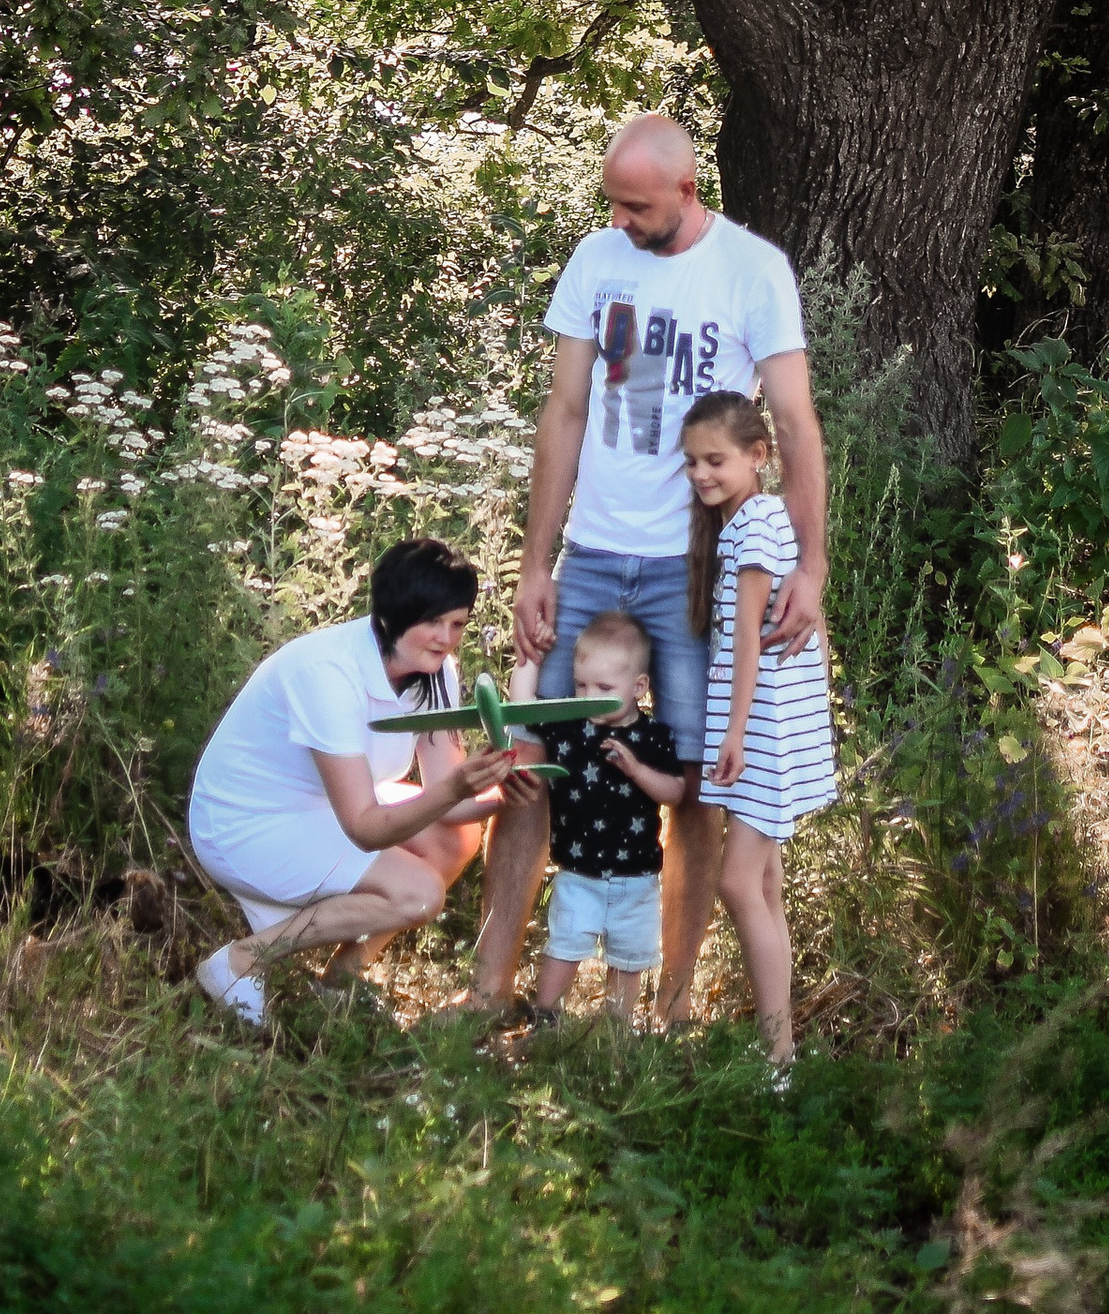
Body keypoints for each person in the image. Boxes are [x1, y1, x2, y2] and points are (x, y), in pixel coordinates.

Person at [473, 112, 827, 1023]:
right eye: (613, 206)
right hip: (591, 553)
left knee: (701, 778)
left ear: (686, 190)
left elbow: (793, 423)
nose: (622, 222)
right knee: (531, 755)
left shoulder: (754, 270)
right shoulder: (596, 261)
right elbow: (563, 411)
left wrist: (810, 565)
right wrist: (535, 564)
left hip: (692, 572)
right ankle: (489, 995)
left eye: (638, 207)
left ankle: (666, 1006)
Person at [186, 536, 535, 1027]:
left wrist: (498, 793)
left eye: (456, 623)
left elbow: (450, 804)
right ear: (393, 615)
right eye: (431, 621)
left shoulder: (435, 672)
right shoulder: (328, 672)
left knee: (457, 838)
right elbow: (366, 827)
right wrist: (459, 787)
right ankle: (242, 960)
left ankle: (339, 984)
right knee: (417, 895)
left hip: (321, 808)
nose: (445, 637)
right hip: (245, 825)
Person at [685, 389, 840, 1073]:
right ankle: (781, 1049)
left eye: (715, 460)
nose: (701, 475)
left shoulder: (752, 528)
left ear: (759, 456)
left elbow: (746, 640)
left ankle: (778, 1054)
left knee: (739, 885)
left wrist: (735, 734)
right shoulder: (773, 523)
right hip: (781, 725)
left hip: (761, 732)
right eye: (691, 464)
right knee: (764, 884)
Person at [524, 611, 687, 1031]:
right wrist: (531, 655)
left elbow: (675, 793)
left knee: (629, 957)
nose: (589, 695)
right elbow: (522, 711)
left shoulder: (653, 738)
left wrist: (636, 770)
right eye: (581, 685)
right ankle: (546, 1019)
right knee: (564, 946)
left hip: (637, 877)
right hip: (578, 873)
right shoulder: (571, 728)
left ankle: (614, 1030)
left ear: (638, 688)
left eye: (603, 688)